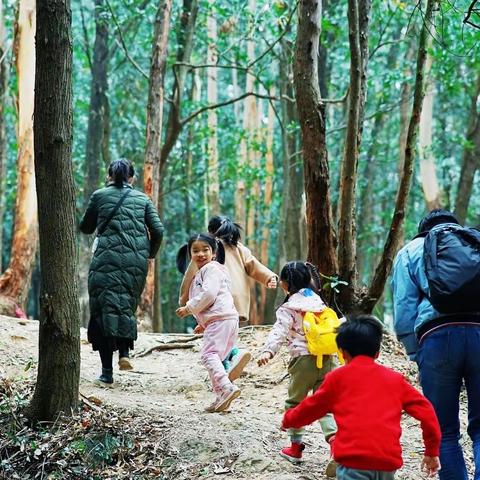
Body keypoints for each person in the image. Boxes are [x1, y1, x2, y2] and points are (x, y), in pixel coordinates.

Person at [282, 315, 442, 479]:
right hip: (387, 464)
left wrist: (289, 420)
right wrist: (431, 451)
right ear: (377, 353)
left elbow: (311, 408)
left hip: (353, 462)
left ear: (343, 353)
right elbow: (427, 412)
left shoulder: (337, 379)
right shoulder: (395, 380)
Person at [392, 209, 480, 479]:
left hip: (436, 339)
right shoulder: (474, 245)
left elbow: (404, 309)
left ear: (423, 229)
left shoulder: (411, 250)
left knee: (444, 430)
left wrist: (415, 352)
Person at [80, 159, 164, 387]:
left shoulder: (99, 195)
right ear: (132, 178)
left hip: (105, 258)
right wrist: (149, 254)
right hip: (135, 262)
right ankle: (125, 353)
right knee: (126, 305)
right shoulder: (142, 199)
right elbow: (158, 230)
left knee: (102, 308)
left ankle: (106, 372)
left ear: (109, 176)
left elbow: (86, 227)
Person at [257, 261, 338, 477]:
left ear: (283, 284)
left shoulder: (289, 307)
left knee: (295, 403)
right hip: (327, 359)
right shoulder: (318, 301)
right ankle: (336, 446)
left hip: (303, 362)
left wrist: (268, 351)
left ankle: (295, 449)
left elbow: (279, 332)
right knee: (326, 404)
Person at [179, 215, 278, 381]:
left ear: (210, 231)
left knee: (216, 338)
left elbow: (190, 278)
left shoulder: (205, 251)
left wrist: (184, 302)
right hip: (236, 300)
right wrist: (269, 278)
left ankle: (227, 365)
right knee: (226, 333)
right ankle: (231, 358)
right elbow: (253, 265)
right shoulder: (238, 248)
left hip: (216, 300)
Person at [176, 233, 241, 413]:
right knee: (216, 358)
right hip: (225, 318)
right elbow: (217, 298)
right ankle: (221, 396)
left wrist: (188, 308)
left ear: (213, 252)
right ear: (190, 254)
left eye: (205, 249)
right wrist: (203, 324)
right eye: (195, 250)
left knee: (208, 355)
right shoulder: (212, 271)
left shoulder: (210, 269)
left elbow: (209, 295)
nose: (201, 254)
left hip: (220, 319)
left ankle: (226, 387)